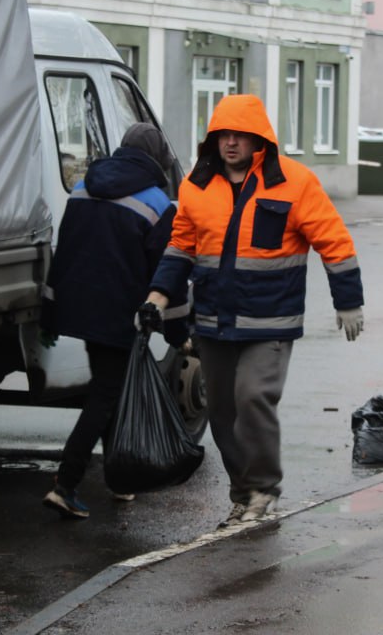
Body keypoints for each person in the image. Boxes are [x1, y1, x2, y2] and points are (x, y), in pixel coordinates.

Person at [139, 94, 364, 527]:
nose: (230, 143)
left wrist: (348, 300)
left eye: (240, 135)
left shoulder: (294, 183)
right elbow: (180, 247)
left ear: (260, 140)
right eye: (223, 135)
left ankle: (264, 487)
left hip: (270, 321)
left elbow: (333, 240)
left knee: (254, 397)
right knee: (222, 411)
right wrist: (157, 299)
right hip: (214, 321)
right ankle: (243, 494)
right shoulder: (196, 186)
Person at [39, 122, 188, 519]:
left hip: (82, 309)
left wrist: (50, 312)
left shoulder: (84, 187)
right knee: (106, 394)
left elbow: (64, 252)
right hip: (122, 315)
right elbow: (168, 272)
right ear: (157, 159)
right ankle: (66, 483)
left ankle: (118, 479)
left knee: (110, 391)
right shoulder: (158, 204)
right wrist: (178, 333)